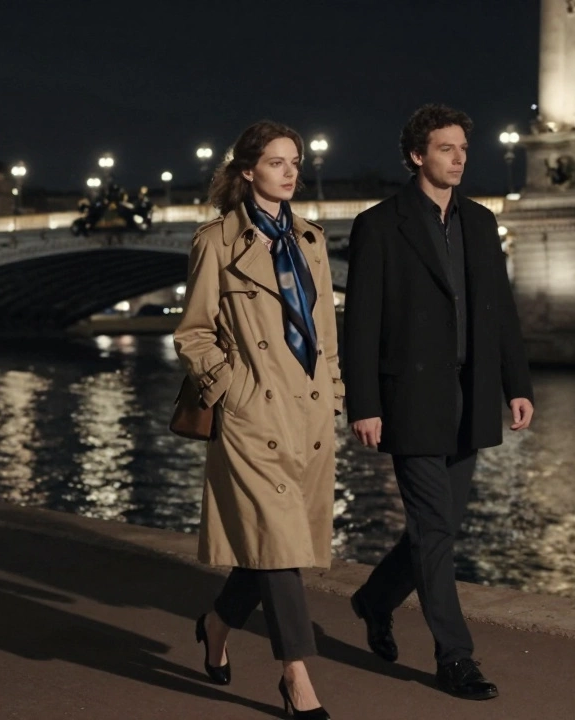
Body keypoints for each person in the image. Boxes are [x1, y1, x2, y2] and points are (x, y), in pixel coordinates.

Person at [342, 104, 535, 701]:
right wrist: (363, 404)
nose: (458, 159)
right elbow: (362, 324)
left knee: (441, 527)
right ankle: (456, 658)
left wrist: (517, 384)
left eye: (463, 150)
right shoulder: (380, 224)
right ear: (416, 156)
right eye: (446, 149)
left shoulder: (479, 222)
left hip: (470, 395)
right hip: (411, 398)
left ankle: (375, 599)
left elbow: (499, 311)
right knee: (433, 530)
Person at [174, 120, 344, 719]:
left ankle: (217, 623)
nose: (291, 170)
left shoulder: (311, 241)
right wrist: (232, 388)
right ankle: (297, 680)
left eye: (294, 160)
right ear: (248, 172)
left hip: (309, 414)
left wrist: (336, 395)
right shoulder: (217, 241)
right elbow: (193, 333)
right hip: (253, 416)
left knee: (277, 546)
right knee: (280, 544)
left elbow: (325, 337)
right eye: (277, 162)